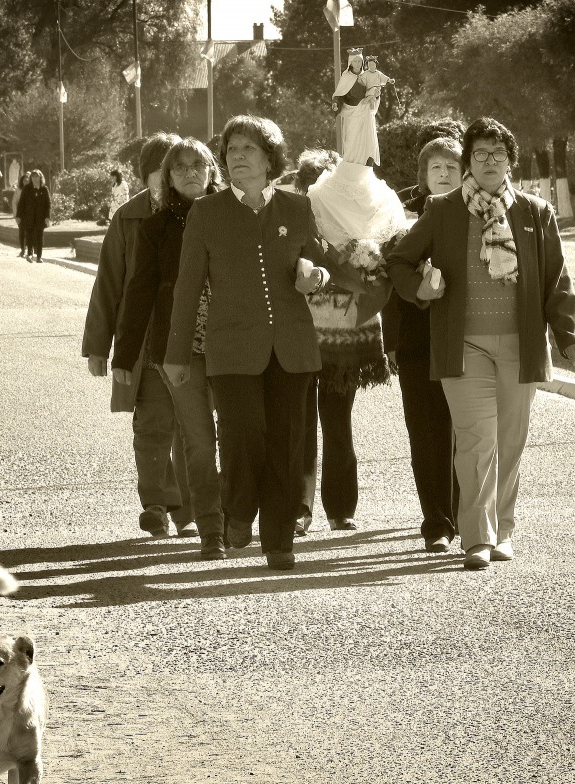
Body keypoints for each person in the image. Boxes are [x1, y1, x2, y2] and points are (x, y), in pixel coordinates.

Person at [163, 115, 365, 571]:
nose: (236, 157)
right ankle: (238, 508)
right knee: (242, 438)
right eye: (231, 150)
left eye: (247, 149)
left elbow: (318, 261)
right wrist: (176, 354)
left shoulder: (296, 208)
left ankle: (278, 543)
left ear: (269, 158)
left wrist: (315, 275)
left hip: (292, 349)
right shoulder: (206, 212)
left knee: (287, 445)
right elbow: (187, 288)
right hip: (231, 351)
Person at [386, 116, 575, 571]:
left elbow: (556, 279)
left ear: (510, 161)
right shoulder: (443, 209)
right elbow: (398, 261)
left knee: (510, 441)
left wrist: (569, 334)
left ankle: (504, 530)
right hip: (464, 346)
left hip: (521, 344)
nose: (489, 161)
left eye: (498, 154)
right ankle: (477, 537)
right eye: (480, 154)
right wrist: (423, 289)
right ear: (468, 162)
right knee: (477, 440)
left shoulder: (534, 212)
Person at [112, 138, 226, 560]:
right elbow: (138, 291)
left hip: (236, 345)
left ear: (211, 169)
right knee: (198, 439)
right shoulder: (155, 226)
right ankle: (210, 528)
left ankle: (236, 515)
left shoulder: (235, 215)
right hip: (179, 349)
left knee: (236, 435)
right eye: (179, 168)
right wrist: (124, 356)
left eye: (198, 165)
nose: (190, 174)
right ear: (167, 177)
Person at [82, 132, 195, 539]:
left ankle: (187, 511)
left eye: (179, 170)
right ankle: (157, 505)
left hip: (192, 339)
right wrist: (98, 346)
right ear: (146, 175)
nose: (170, 179)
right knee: (152, 425)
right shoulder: (128, 218)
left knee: (191, 426)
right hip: (144, 341)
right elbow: (109, 284)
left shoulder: (203, 212)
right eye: (161, 172)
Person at [292, 148, 391, 536]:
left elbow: (376, 279)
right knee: (299, 426)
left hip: (344, 342)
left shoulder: (360, 229)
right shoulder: (293, 222)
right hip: (298, 339)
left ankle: (340, 509)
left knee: (337, 425)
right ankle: (300, 508)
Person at [381, 136, 463, 552]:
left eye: (452, 165)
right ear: (424, 176)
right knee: (426, 433)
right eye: (436, 168)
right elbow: (391, 279)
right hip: (417, 339)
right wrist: (391, 340)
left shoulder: (480, 213)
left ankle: (467, 514)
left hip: (468, 339)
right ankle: (437, 523)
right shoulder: (403, 219)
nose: (444, 174)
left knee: (465, 431)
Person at [332, 49, 385, 167]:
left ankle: (365, 166)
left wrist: (376, 95)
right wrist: (336, 104)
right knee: (351, 143)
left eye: (359, 61)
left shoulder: (367, 75)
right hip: (351, 113)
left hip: (365, 112)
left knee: (367, 142)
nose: (357, 63)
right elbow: (339, 94)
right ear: (350, 63)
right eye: (355, 61)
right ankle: (351, 166)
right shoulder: (346, 77)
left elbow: (373, 90)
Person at [19, 170, 51, 262]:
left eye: (36, 176)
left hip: (40, 216)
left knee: (39, 236)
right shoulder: (27, 188)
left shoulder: (44, 189)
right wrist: (19, 216)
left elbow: (48, 204)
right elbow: (22, 203)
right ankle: (29, 254)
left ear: (40, 177)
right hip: (29, 216)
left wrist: (47, 216)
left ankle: (39, 256)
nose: (34, 178)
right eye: (33, 177)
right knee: (29, 234)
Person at [12, 170, 30, 258]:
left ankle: (30, 249)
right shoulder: (19, 190)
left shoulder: (33, 189)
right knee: (22, 232)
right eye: (24, 180)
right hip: (21, 214)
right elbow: (14, 203)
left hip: (30, 213)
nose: (26, 182)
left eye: (28, 180)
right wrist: (16, 215)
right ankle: (23, 249)